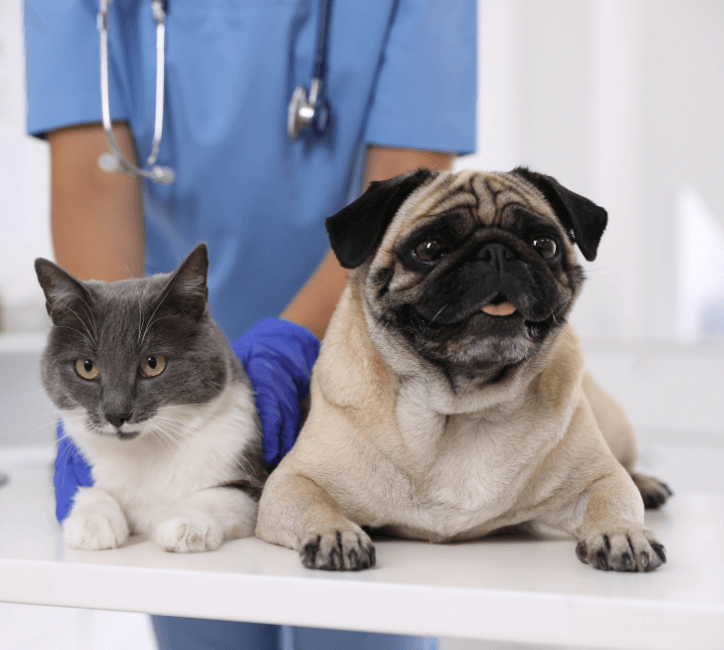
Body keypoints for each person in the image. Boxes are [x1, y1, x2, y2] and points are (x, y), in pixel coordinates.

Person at [25, 0, 476, 648]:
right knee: (203, 607)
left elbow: (402, 197)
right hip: (171, 402)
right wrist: (104, 363)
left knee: (361, 621)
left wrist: (287, 352)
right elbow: (94, 181)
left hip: (362, 363)